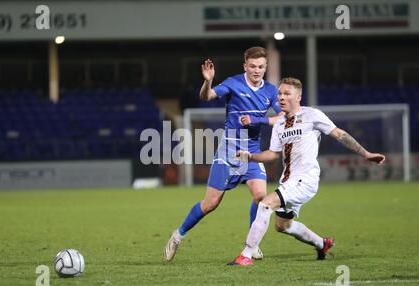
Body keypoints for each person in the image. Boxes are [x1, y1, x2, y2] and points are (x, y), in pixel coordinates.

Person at [229, 77, 386, 265]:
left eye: (287, 93)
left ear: (299, 97)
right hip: (288, 181)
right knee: (283, 226)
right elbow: (272, 154)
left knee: (265, 204)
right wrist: (250, 156)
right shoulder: (279, 124)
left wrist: (366, 153)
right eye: (279, 93)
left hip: (306, 179)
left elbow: (339, 134)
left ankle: (246, 255)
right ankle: (322, 244)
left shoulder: (312, 115)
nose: (281, 97)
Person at [164, 46, 284, 262]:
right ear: (245, 66)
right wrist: (208, 81)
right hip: (228, 152)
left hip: (253, 153)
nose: (257, 71)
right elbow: (207, 96)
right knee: (210, 203)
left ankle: (252, 245)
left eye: (261, 67)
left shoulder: (270, 91)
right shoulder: (233, 82)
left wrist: (261, 120)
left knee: (260, 198)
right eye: (252, 66)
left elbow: (283, 116)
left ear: (266, 67)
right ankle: (177, 235)